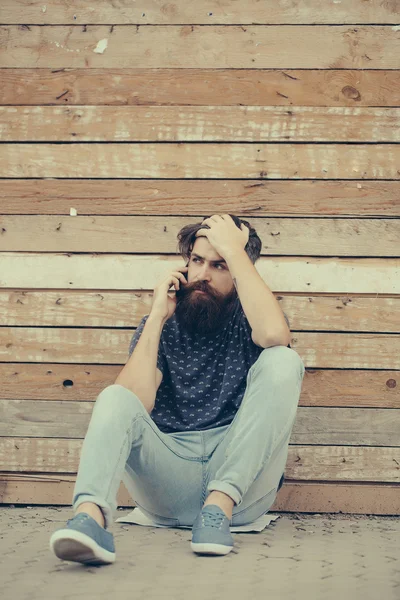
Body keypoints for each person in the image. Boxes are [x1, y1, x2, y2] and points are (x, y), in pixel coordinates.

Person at [49, 213, 305, 565]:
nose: (202, 275)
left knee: (284, 360)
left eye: (220, 265)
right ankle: (91, 519)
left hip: (238, 484)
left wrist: (235, 249)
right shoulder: (160, 324)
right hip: (167, 480)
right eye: (197, 261)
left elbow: (276, 337)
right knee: (113, 395)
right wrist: (156, 317)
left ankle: (217, 508)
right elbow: (132, 402)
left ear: (239, 269)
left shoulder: (254, 321)